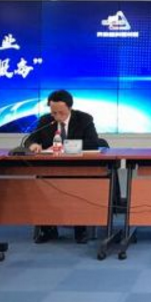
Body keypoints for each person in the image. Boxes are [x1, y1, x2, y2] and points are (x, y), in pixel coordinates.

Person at [28, 89, 100, 244]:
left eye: (61, 112)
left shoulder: (84, 119)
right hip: (51, 168)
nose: (56, 116)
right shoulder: (45, 120)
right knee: (42, 185)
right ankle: (48, 229)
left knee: (78, 187)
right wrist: (33, 144)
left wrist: (63, 147)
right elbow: (31, 139)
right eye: (53, 112)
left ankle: (80, 229)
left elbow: (93, 143)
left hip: (78, 168)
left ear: (70, 108)